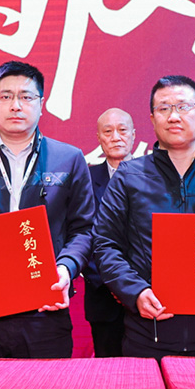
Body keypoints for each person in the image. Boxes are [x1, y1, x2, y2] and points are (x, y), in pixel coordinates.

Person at [94, 75, 195, 358]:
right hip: (146, 335)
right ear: (152, 118)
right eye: (163, 108)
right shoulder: (128, 177)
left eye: (183, 107)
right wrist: (135, 292)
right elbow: (105, 244)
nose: (173, 116)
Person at [0, 61, 95, 358]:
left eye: (26, 97)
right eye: (6, 96)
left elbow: (85, 229)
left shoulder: (69, 159)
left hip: (46, 304)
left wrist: (65, 268)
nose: (16, 105)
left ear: (41, 104)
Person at [84, 108, 136, 357]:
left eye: (122, 130)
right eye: (108, 131)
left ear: (134, 134)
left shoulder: (155, 175)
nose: (116, 137)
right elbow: (82, 233)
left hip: (147, 295)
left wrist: (132, 285)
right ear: (98, 137)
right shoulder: (85, 178)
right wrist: (114, 283)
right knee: (109, 370)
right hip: (103, 296)